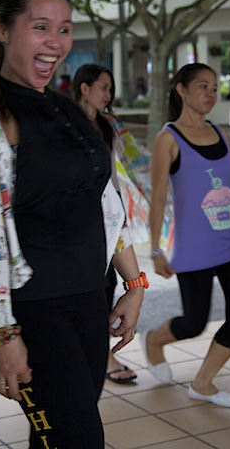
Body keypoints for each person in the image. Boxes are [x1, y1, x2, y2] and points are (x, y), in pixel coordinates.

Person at [0, 0, 144, 448]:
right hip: (35, 313)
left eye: (64, 29)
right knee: (78, 440)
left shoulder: (68, 112)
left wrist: (134, 283)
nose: (55, 42)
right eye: (40, 27)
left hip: (89, 301)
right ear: (2, 29)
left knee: (54, 439)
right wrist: (1, 335)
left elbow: (105, 202)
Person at [144, 63, 230, 409]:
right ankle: (154, 340)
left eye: (215, 88)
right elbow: (157, 197)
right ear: (181, 89)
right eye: (203, 86)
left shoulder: (221, 133)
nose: (211, 94)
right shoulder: (168, 138)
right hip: (194, 245)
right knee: (193, 322)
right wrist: (155, 249)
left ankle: (203, 382)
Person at [73, 63, 141, 385]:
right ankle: (97, 355)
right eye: (103, 87)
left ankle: (102, 354)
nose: (108, 95)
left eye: (110, 89)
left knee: (107, 284)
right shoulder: (66, 122)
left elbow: (119, 167)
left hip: (110, 213)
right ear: (84, 88)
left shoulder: (108, 125)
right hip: (80, 217)